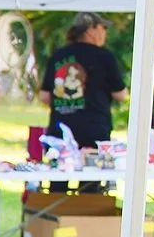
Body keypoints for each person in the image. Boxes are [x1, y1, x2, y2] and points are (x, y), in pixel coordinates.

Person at [39, 13, 128, 191]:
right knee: (90, 186)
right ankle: (85, 218)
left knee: (58, 185)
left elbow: (45, 96)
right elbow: (121, 94)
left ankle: (56, 217)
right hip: (94, 129)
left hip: (61, 130)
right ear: (91, 30)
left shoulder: (59, 55)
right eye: (103, 28)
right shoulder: (104, 57)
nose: (105, 33)